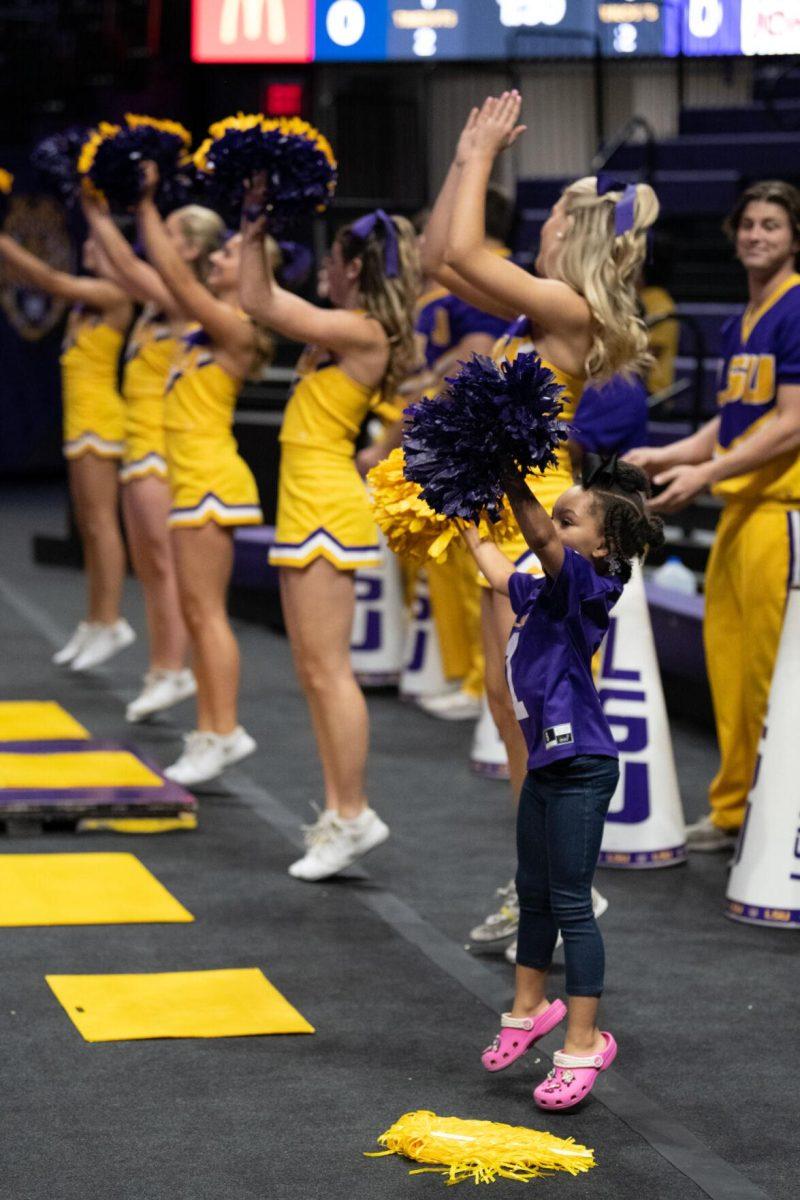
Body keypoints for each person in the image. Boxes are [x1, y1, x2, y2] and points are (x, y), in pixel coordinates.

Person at [424, 92, 658, 954]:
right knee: (510, 704)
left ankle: (560, 892)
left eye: (554, 213)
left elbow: (456, 250)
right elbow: (438, 260)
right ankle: (545, 883)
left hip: (538, 517)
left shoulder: (569, 310)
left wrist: (480, 148)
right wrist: (461, 160)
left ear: (574, 235)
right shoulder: (543, 306)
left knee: (537, 714)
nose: (543, 223)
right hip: (512, 506)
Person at [462, 457, 663, 1110]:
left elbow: (542, 543)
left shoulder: (587, 585)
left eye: (567, 518)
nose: (550, 524)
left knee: (572, 902)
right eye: (552, 513)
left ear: (601, 545)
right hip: (549, 766)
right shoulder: (545, 591)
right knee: (532, 891)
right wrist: (460, 512)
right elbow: (497, 574)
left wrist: (507, 475)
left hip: (581, 767)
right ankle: (529, 1008)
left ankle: (585, 1041)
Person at [239, 179, 420, 881]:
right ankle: (343, 811)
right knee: (314, 672)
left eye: (333, 260)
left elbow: (258, 302)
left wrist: (254, 220)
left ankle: (353, 814)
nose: (322, 270)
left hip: (323, 506)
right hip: (307, 500)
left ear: (355, 268)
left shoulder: (362, 329)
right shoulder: (347, 334)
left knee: (327, 670)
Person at [626, 180, 800, 851]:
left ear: (794, 237)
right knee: (729, 669)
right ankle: (734, 811)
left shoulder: (794, 308)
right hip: (740, 513)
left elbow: (791, 424)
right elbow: (732, 421)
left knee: (767, 675)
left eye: (772, 226)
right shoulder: (741, 319)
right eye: (748, 224)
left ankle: (772, 815)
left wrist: (706, 472)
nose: (756, 235)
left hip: (781, 516)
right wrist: (672, 455)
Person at [136, 160, 270, 785]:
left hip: (211, 480)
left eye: (228, 255)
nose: (215, 260)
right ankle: (213, 727)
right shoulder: (198, 326)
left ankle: (222, 729)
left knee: (206, 612)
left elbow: (174, 278)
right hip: (192, 479)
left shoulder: (233, 325)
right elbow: (162, 281)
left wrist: (143, 205)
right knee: (194, 610)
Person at [83, 195, 225, 721]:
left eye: (167, 234)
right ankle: (160, 666)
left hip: (162, 447)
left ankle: (171, 668)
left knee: (164, 566)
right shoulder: (154, 303)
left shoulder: (186, 299)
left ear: (188, 248)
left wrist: (101, 214)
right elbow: (127, 267)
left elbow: (128, 265)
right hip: (136, 441)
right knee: (149, 564)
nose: (154, 241)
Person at [0, 229, 135, 670]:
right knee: (86, 526)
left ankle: (111, 617)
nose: (89, 248)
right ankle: (95, 619)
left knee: (100, 524)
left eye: (98, 245)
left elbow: (48, 279)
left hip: (101, 422)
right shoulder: (83, 304)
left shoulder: (113, 294)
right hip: (80, 422)